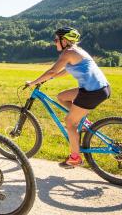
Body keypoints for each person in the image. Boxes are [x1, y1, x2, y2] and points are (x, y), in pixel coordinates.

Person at [25, 27, 111, 168]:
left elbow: (53, 70)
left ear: (64, 40)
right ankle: (85, 122)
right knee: (62, 96)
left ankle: (75, 158)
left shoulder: (69, 52)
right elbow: (63, 71)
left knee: (70, 122)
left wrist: (34, 82)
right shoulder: (77, 51)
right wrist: (49, 78)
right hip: (100, 88)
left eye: (56, 39)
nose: (55, 42)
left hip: (92, 92)